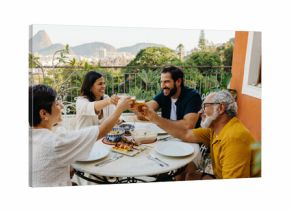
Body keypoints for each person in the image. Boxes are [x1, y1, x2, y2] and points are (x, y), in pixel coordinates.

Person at [29, 84, 132, 187]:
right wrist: (120, 109)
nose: (61, 106)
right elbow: (102, 131)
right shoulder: (56, 142)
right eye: (56, 104)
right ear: (43, 114)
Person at [142, 90, 256, 179]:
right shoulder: (214, 129)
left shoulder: (234, 138)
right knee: (190, 174)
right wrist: (154, 118)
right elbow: (185, 134)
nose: (200, 112)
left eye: (205, 106)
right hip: (220, 176)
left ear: (220, 108)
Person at [135, 65, 202, 129]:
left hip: (188, 139)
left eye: (166, 82)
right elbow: (141, 112)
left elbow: (188, 126)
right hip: (168, 136)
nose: (162, 86)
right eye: (161, 82)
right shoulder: (165, 94)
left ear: (178, 82)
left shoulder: (193, 96)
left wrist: (157, 119)